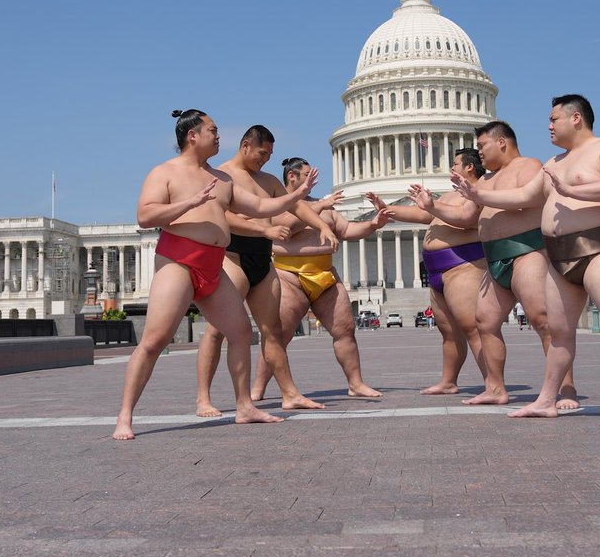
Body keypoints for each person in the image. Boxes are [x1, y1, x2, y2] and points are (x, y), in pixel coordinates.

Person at [453, 96, 600, 430]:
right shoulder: (554, 163)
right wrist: (477, 195)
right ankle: (546, 399)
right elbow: (523, 197)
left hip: (599, 248)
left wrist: (572, 190)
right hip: (559, 255)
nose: (549, 126)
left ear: (577, 118)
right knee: (558, 334)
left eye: (554, 119)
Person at [112, 110, 321, 440]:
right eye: (213, 130)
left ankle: (244, 406)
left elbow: (260, 208)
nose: (218, 136)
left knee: (239, 333)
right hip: (179, 261)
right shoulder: (165, 172)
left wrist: (297, 194)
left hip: (213, 263)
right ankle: (125, 416)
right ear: (192, 135)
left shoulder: (221, 179)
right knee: (154, 341)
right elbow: (145, 215)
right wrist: (189, 203)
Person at [414, 121, 577, 410]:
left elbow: (526, 198)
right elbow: (466, 217)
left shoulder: (529, 166)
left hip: (526, 251)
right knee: (484, 322)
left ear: (502, 142)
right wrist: (432, 207)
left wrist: (480, 195)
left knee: (542, 320)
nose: (480, 153)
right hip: (495, 259)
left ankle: (566, 389)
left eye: (482, 146)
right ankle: (495, 388)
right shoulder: (486, 181)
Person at [195, 126, 339, 417]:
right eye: (263, 154)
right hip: (233, 258)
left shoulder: (269, 180)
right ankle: (203, 398)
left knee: (272, 331)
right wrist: (263, 228)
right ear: (246, 145)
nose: (266, 159)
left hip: (263, 260)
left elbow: (297, 206)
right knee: (216, 331)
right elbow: (222, 215)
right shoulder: (222, 175)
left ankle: (290, 393)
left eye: (270, 155)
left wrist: (322, 225)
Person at [251, 157, 391, 402]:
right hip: (288, 275)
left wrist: (372, 224)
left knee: (345, 329)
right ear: (292, 176)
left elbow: (346, 230)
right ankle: (258, 388)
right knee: (278, 336)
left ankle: (355, 383)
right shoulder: (276, 204)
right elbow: (289, 226)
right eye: (307, 175)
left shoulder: (324, 206)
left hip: (325, 274)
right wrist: (321, 205)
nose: (312, 180)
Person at [367, 149, 490, 396]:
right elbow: (424, 214)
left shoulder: (481, 192)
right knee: (449, 332)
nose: (451, 168)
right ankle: (449, 381)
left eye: (455, 163)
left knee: (472, 329)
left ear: (469, 167)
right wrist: (388, 209)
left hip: (462, 264)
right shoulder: (451, 195)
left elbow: (466, 219)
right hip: (437, 268)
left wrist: (433, 206)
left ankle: (493, 384)